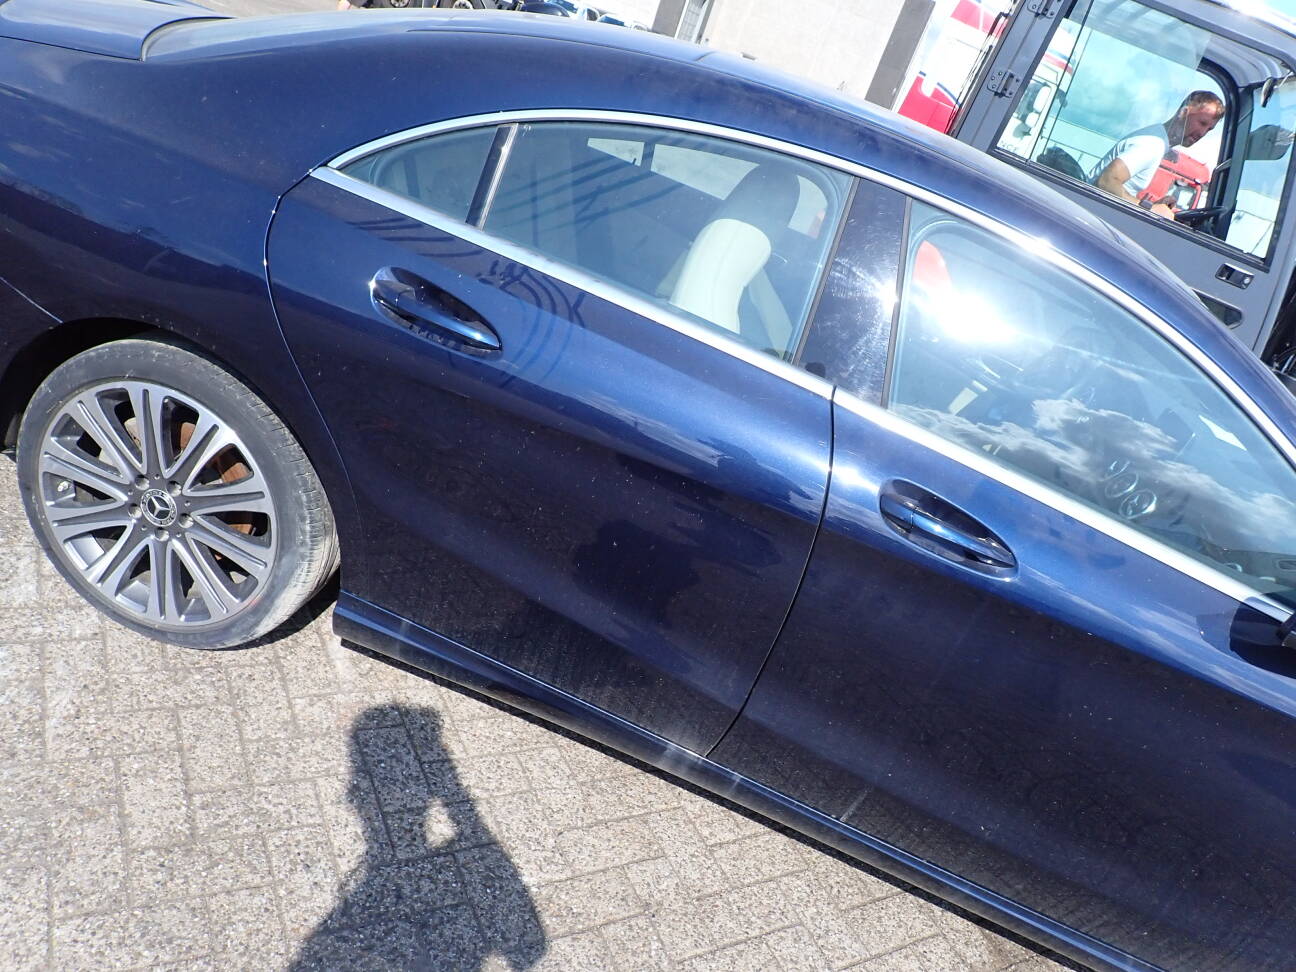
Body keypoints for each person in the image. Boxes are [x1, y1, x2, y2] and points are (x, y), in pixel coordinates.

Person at [1089, 91, 1225, 217]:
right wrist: (1151, 210)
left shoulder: (1158, 140)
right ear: (1183, 113)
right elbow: (1106, 182)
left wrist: (1152, 205)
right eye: (1202, 123)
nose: (1202, 133)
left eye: (1209, 129)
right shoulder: (1152, 144)